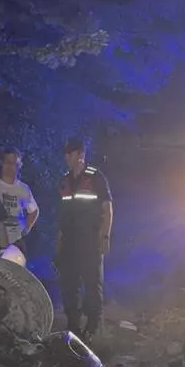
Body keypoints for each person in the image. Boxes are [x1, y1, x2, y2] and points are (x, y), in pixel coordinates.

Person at [54, 137, 113, 340]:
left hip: (90, 240)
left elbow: (108, 209)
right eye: (65, 153)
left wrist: (105, 236)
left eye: (70, 153)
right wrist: (59, 242)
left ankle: (93, 324)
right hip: (69, 241)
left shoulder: (95, 177)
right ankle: (73, 324)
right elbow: (62, 216)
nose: (66, 157)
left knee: (92, 283)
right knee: (69, 284)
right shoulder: (64, 181)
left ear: (81, 154)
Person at [0, 147, 40, 256]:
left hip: (15, 242)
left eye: (14, 163)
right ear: (1, 163)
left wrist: (26, 229)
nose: (10, 166)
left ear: (20, 165)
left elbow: (34, 211)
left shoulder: (23, 189)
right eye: (7, 162)